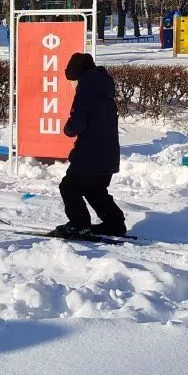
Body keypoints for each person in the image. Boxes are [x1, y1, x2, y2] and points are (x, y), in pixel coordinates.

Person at [51, 51, 126, 238]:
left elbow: (77, 124)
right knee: (95, 189)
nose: (73, 83)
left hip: (89, 154)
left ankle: (79, 225)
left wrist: (68, 128)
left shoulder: (86, 92)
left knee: (69, 187)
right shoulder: (103, 89)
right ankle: (114, 223)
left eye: (74, 79)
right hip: (108, 155)